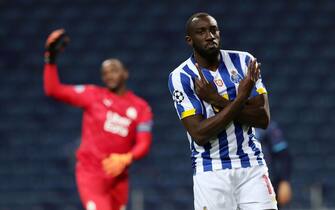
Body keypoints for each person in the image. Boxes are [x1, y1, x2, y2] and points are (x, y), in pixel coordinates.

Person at [168, 13, 277, 210]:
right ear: (189, 40)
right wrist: (241, 98)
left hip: (252, 165)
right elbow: (200, 134)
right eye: (201, 32)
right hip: (211, 171)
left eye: (213, 29)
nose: (209, 36)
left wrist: (216, 100)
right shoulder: (181, 77)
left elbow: (262, 118)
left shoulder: (244, 61)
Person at [43, 29, 153, 210]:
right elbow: (53, 90)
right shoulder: (93, 95)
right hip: (91, 173)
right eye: (105, 72)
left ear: (125, 73)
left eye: (114, 70)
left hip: (119, 176)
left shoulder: (141, 107)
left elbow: (144, 143)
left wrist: (127, 158)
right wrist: (50, 60)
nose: (109, 75)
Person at [256, 121, 293, 209]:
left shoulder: (266, 126)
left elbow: (284, 156)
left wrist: (284, 181)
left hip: (266, 184)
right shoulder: (230, 126)